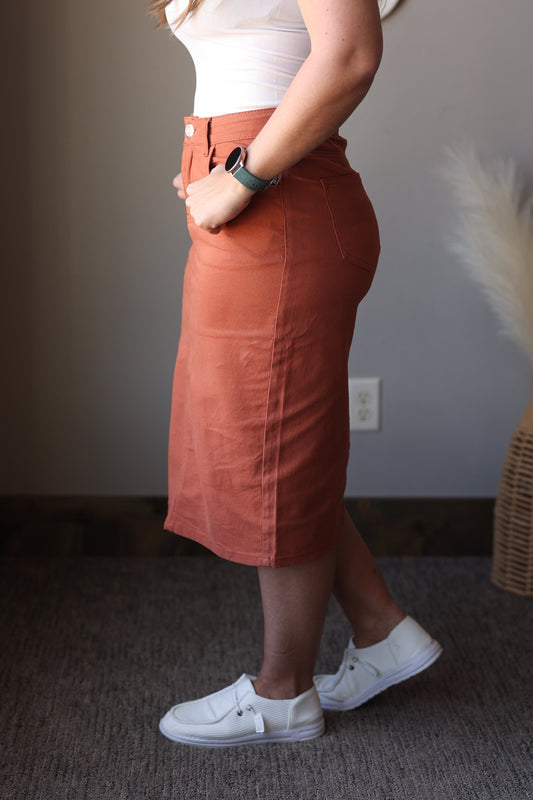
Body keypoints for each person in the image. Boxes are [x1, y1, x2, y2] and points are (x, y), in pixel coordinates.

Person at [149, 0, 442, 747]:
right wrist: (213, 162)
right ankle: (381, 630)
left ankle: (283, 694)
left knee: (272, 454)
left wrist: (240, 173)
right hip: (253, 195)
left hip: (276, 198)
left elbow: (349, 54)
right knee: (269, 446)